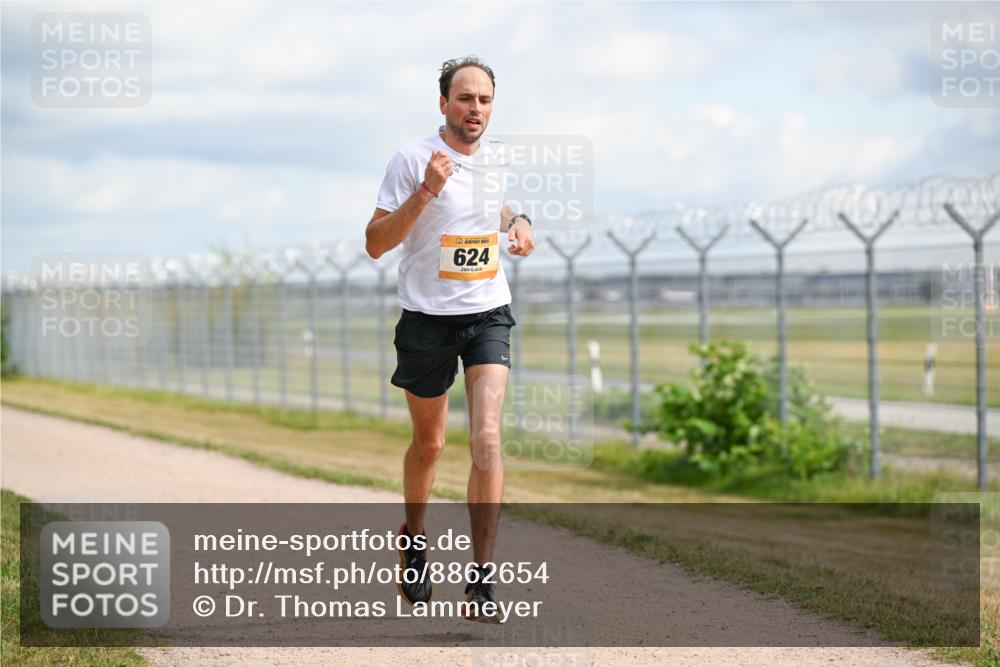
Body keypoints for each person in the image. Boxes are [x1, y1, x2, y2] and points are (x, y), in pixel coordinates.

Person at [364, 56, 535, 623]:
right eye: (465, 99)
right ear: (443, 104)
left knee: (487, 439)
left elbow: (494, 202)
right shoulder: (413, 159)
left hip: (487, 311)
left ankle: (481, 582)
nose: (476, 109)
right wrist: (426, 193)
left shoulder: (498, 158)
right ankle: (413, 538)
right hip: (425, 320)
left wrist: (518, 220)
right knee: (431, 445)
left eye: (485, 100)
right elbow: (375, 243)